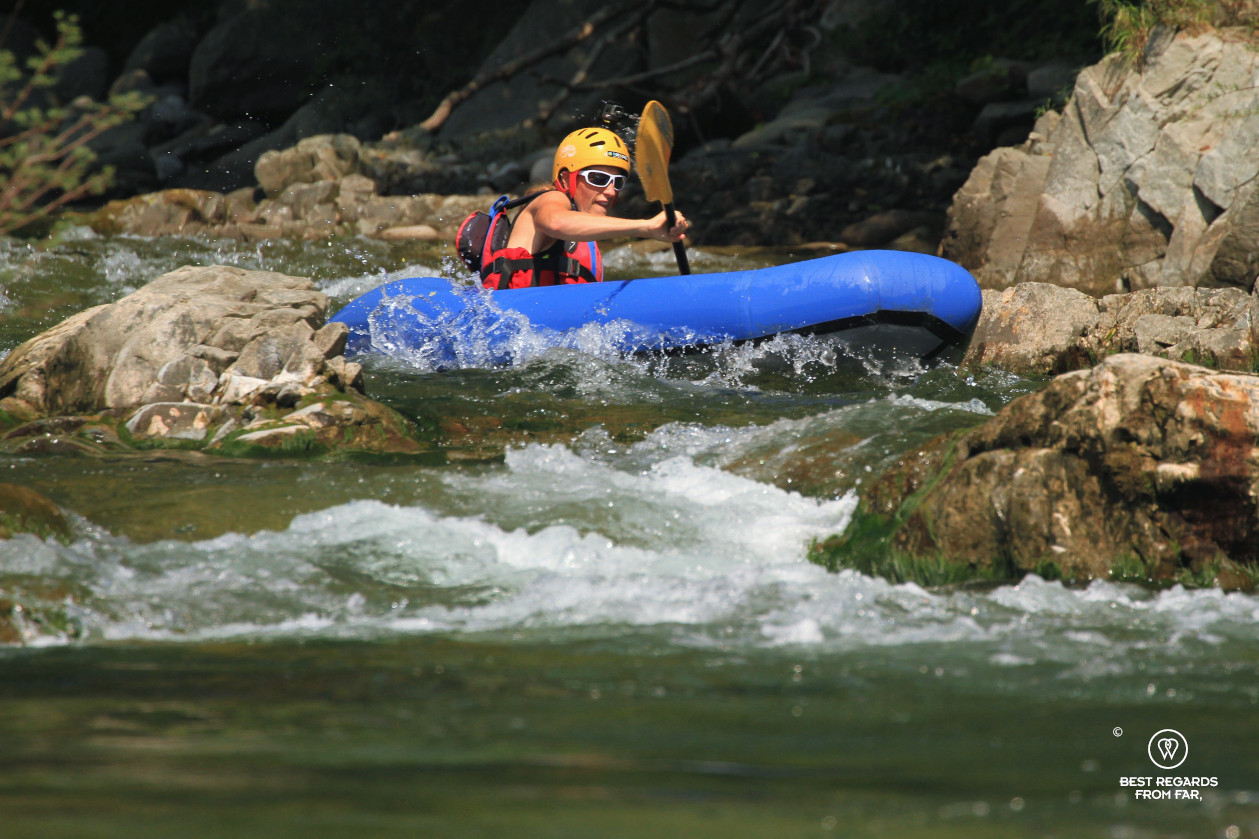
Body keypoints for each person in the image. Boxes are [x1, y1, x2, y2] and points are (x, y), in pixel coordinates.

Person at [479, 126, 689, 290]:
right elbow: (556, 222)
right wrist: (646, 227)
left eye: (617, 182)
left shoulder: (584, 224)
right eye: (598, 178)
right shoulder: (551, 199)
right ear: (564, 178)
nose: (610, 191)